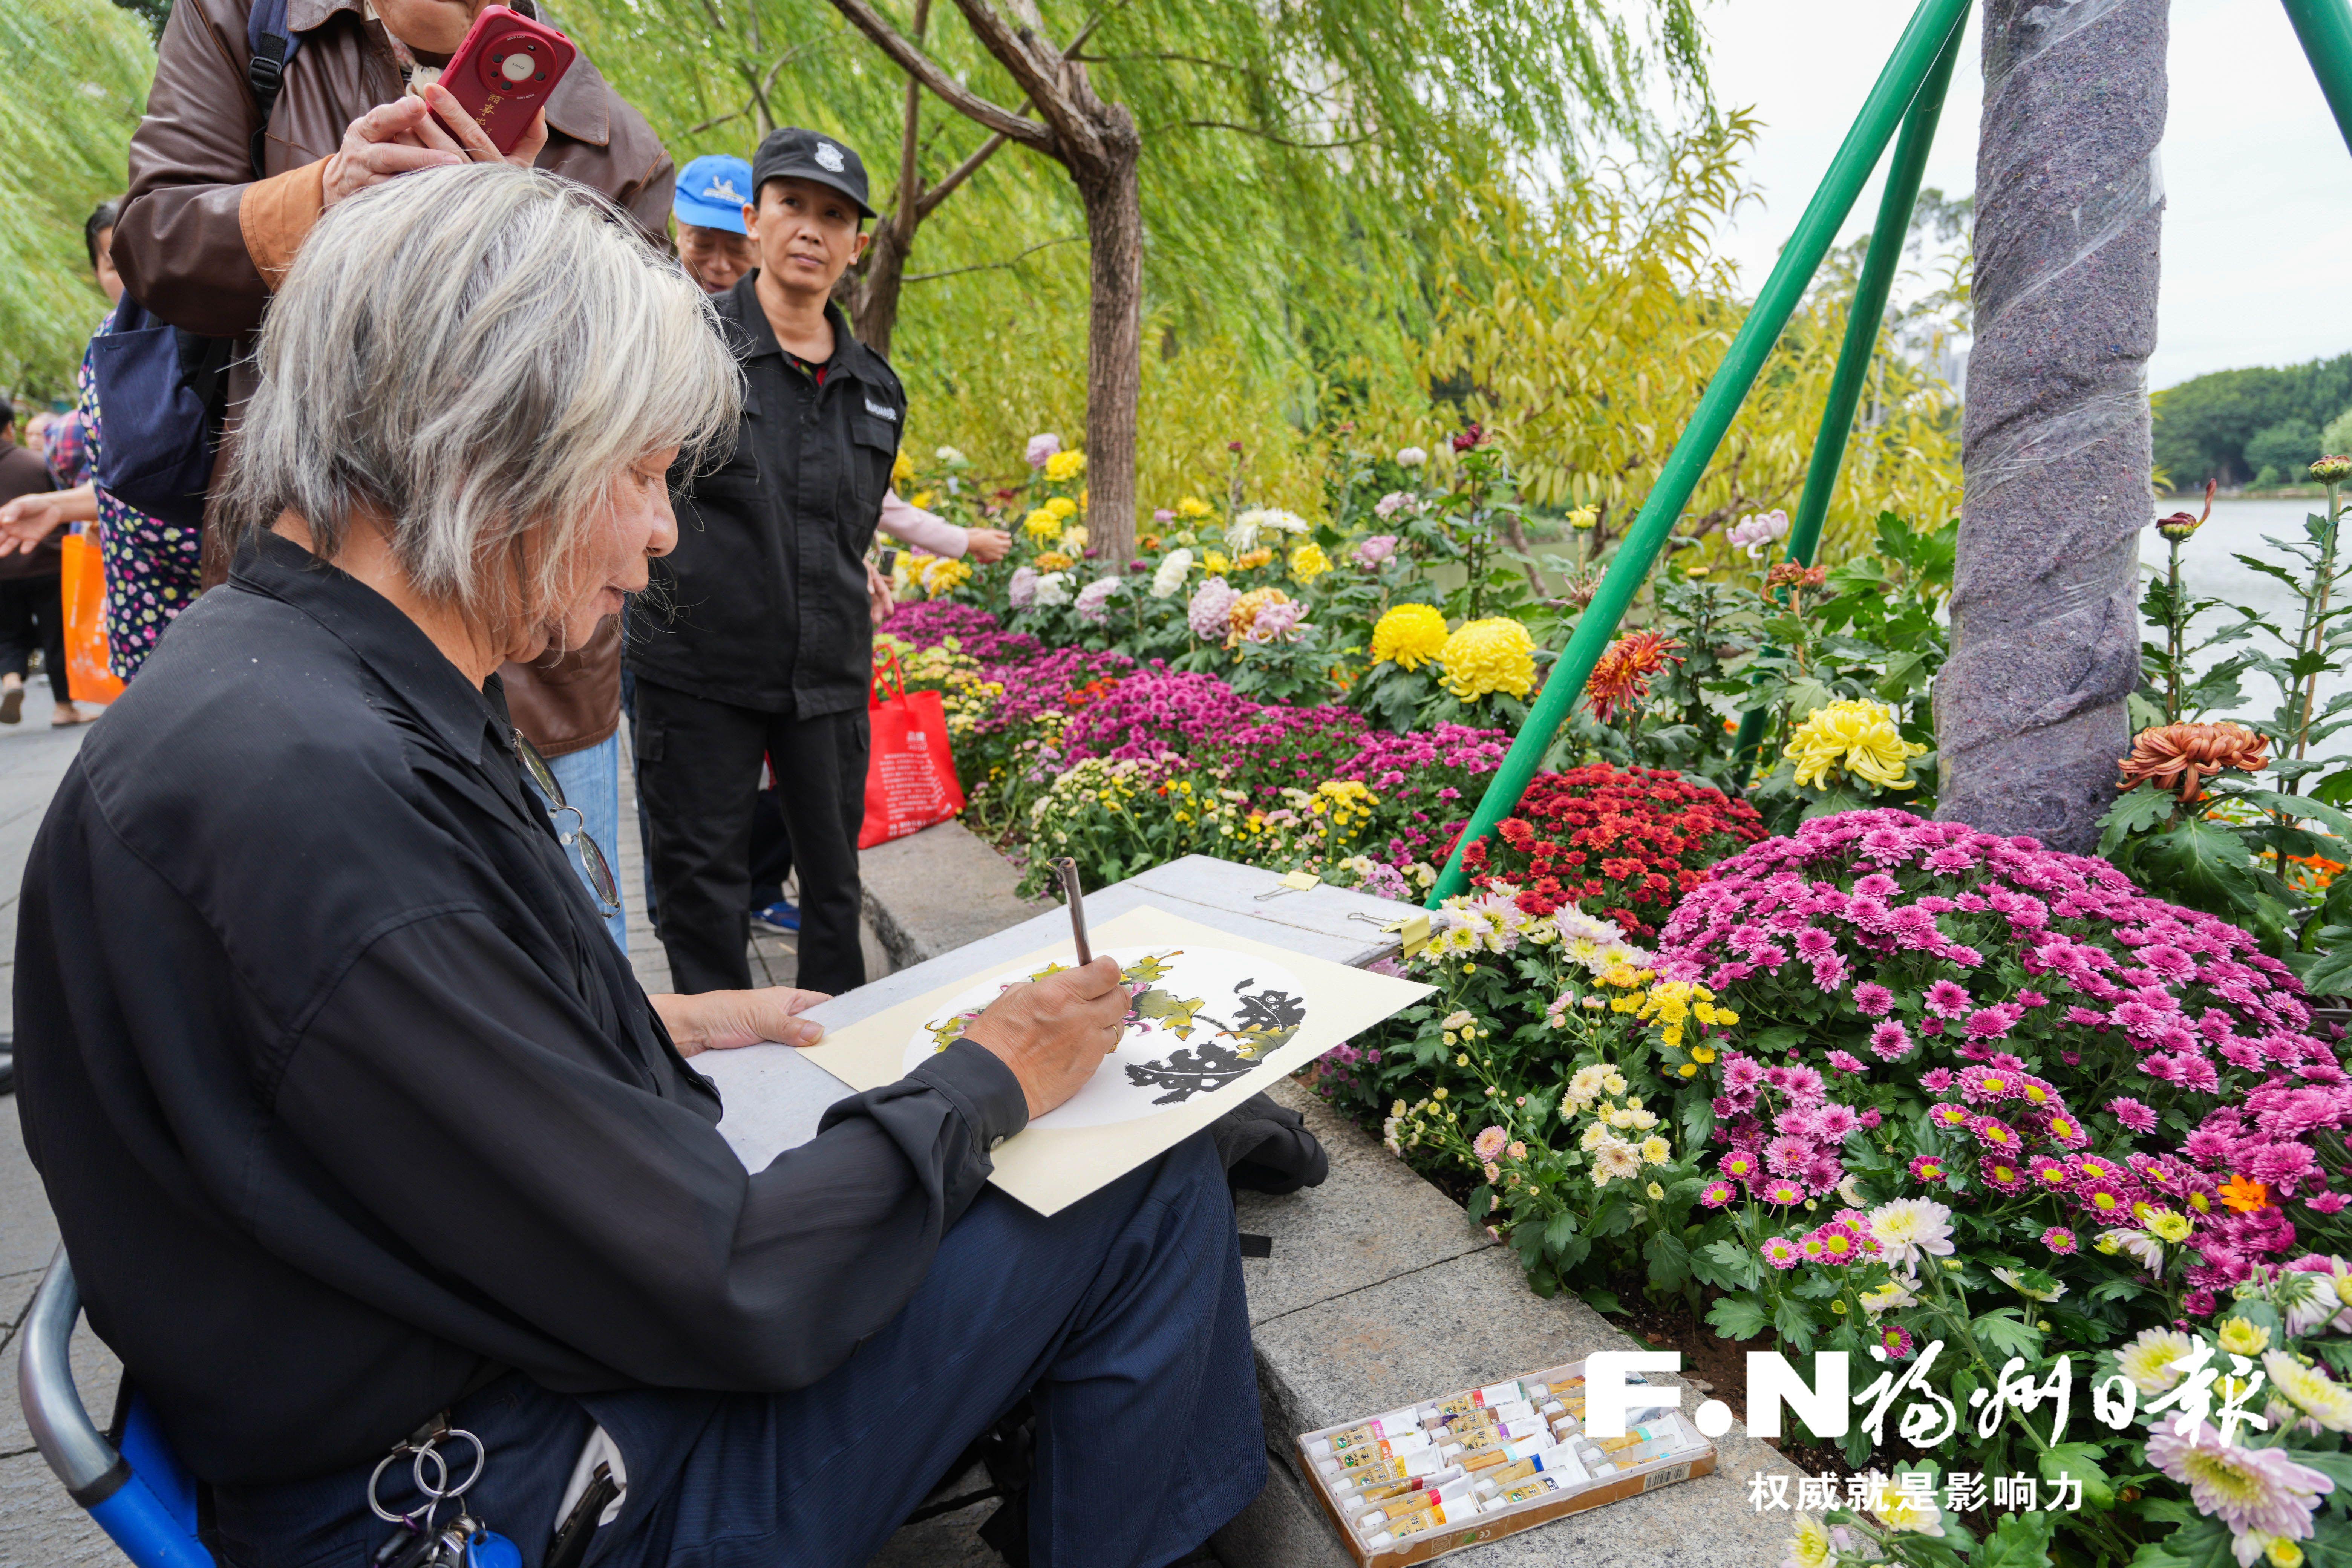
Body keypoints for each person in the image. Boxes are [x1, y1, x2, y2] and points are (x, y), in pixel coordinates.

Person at [16, 165, 1261, 1568]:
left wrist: (624, 1022)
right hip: (502, 1491)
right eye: (643, 471)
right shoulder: (321, 811)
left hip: (388, 1390)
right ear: (491, 437)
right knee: (1141, 1182)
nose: (663, 530)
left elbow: (339, 1062)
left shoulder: (264, 672)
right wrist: (987, 1077)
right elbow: (742, 1289)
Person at [110, 0, 676, 951]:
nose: (665, 536)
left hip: (536, 651)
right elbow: (152, 241)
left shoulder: (609, 132)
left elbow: (648, 393)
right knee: (313, 950)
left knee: (574, 967)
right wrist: (323, 198)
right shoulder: (247, 27)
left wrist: (514, 238)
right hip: (314, 618)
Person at [628, 128, 899, 997]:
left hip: (826, 675)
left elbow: (850, 521)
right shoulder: (684, 348)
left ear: (857, 244)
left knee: (833, 886)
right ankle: (717, 1057)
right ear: (754, 219)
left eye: (835, 216)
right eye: (792, 205)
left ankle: (836, 1045)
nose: (811, 229)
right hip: (698, 668)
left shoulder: (877, 390)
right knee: (699, 885)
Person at [0, 199, 182, 697]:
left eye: (143, 252)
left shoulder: (220, 328)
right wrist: (58, 508)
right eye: (113, 263)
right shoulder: (102, 345)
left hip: (219, 581)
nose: (131, 274)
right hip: (139, 591)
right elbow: (122, 481)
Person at [0, 404, 77, 725]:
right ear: (10, 428)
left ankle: (12, 681)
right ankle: (64, 708)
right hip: (47, 564)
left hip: (2, 571)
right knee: (56, 637)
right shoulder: (36, 463)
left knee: (8, 634)